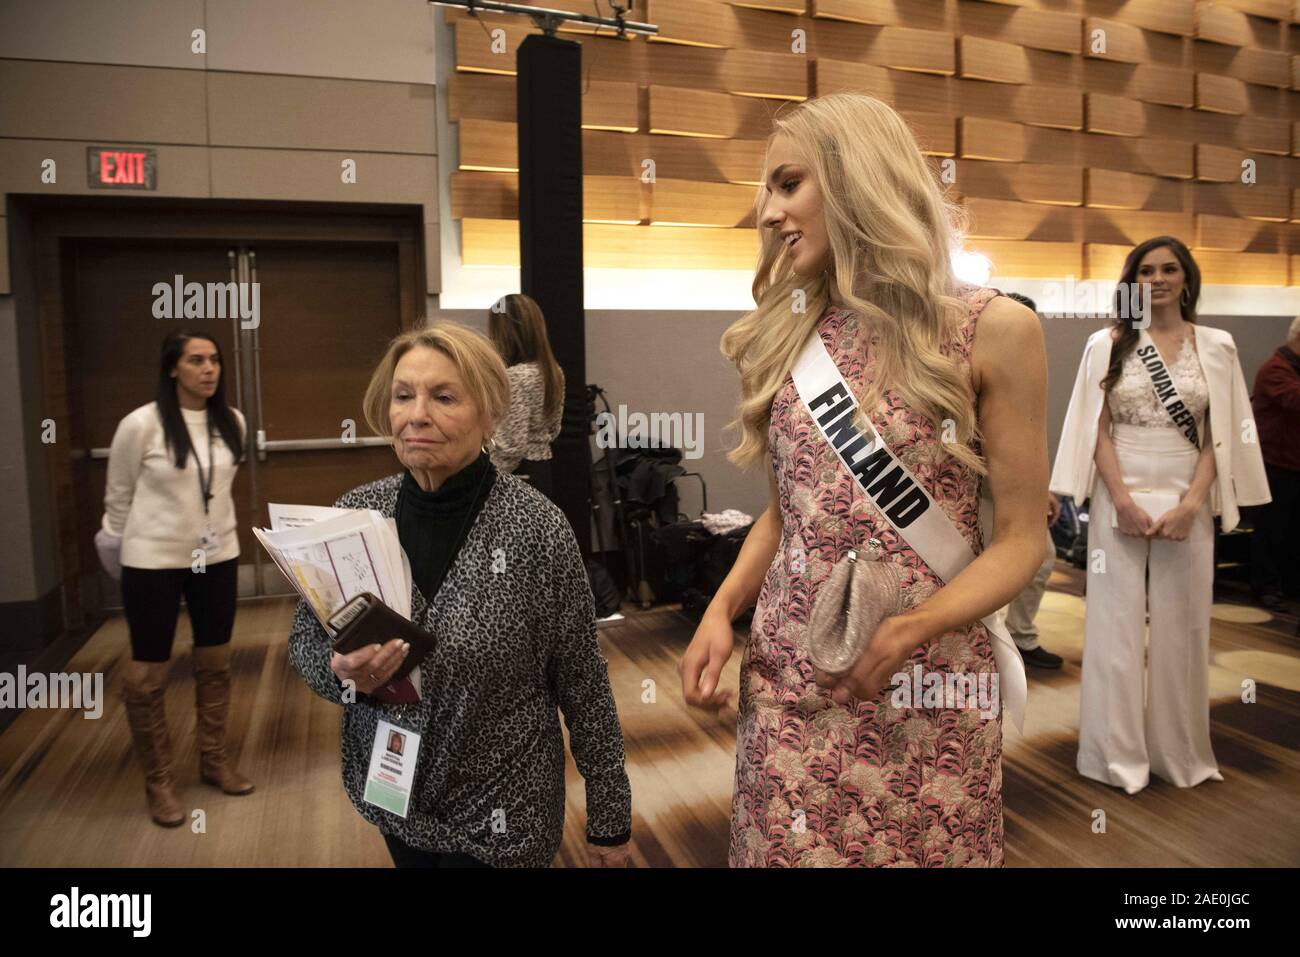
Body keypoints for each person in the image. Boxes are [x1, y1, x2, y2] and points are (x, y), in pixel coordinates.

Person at [678, 93, 1049, 867]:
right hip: (790, 674)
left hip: (926, 679)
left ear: (856, 178)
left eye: (788, 184)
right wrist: (720, 609)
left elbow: (1022, 540)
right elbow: (784, 514)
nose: (768, 212)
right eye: (766, 192)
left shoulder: (995, 329)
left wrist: (911, 629)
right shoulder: (792, 330)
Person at [286, 321, 631, 868]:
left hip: (504, 812)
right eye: (404, 395)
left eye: (444, 397)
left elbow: (582, 678)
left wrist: (610, 813)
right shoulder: (357, 516)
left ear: (490, 414)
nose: (417, 414)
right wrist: (341, 673)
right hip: (395, 798)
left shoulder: (536, 529)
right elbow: (305, 641)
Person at [1051, 236, 1271, 794]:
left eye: (1170, 269)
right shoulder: (1106, 344)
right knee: (1113, 630)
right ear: (1132, 282)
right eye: (1146, 271)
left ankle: (1179, 754)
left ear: (1187, 277)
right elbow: (1095, 428)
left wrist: (1193, 504)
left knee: (1185, 631)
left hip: (1187, 497)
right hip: (1118, 494)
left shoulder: (1217, 346)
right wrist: (1120, 499)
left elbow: (1220, 435)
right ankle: (1114, 756)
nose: (1158, 279)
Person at [97, 330, 253, 827]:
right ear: (172, 368)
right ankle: (159, 780)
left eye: (214, 360)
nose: (209, 369)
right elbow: (118, 498)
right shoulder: (140, 424)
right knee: (148, 672)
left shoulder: (232, 421)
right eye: (195, 360)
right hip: (153, 560)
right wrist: (118, 551)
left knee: (216, 660)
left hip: (217, 555)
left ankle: (214, 759)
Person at [1001, 293, 1063, 669]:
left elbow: (1028, 442)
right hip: (973, 486)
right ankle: (984, 644)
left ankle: (1020, 637)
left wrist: (1041, 491)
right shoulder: (969, 358)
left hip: (1012, 486)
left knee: (1041, 558)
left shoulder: (1027, 366)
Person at [486, 293, 565, 499]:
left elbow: (511, 446)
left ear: (505, 332)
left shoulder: (515, 377)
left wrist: (483, 477)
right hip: (542, 469)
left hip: (518, 472)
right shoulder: (553, 371)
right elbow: (554, 429)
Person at [1247, 316, 1300, 612]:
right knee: (1271, 530)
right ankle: (1265, 587)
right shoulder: (1275, 369)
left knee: (1291, 531)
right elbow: (1295, 400)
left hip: (1292, 462)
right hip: (1275, 463)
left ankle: (1288, 585)